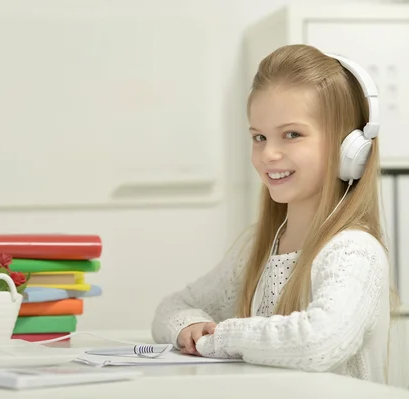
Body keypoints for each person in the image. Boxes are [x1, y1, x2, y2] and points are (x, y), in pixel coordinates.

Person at [151, 44, 397, 384]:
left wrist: (221, 336)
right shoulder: (258, 245)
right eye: (259, 137)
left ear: (349, 149)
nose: (269, 153)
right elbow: (171, 308)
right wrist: (189, 327)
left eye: (292, 134)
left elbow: (320, 341)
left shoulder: (354, 251)